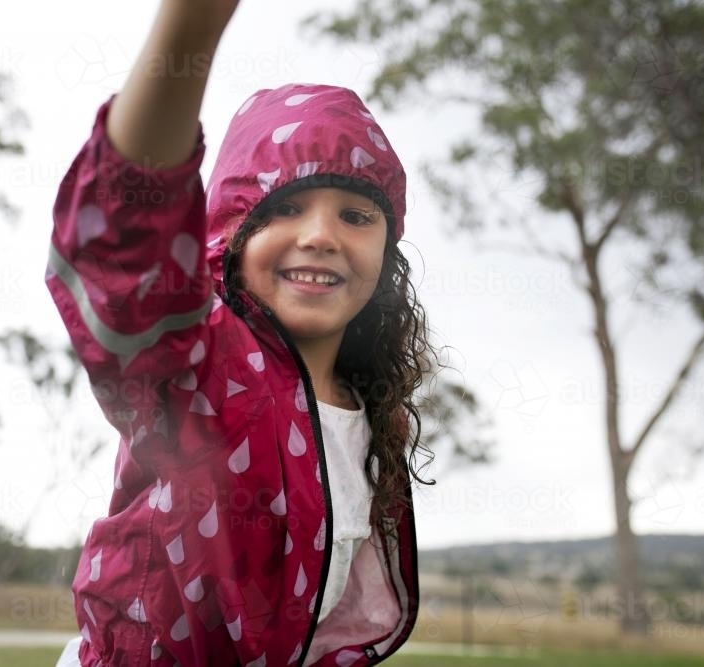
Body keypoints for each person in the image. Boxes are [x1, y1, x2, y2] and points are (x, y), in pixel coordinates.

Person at [46, 1, 436, 665]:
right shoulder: (198, 367)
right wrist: (190, 28)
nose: (320, 235)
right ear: (228, 234)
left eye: (355, 213)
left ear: (387, 251)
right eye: (283, 207)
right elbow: (124, 250)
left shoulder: (380, 417)